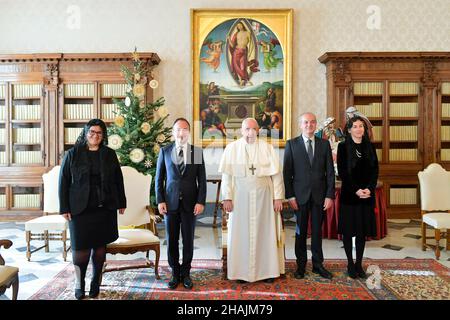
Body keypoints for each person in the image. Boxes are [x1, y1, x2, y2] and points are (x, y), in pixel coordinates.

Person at [59, 119, 126, 300]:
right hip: (79, 209)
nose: (95, 136)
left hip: (104, 207)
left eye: (99, 133)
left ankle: (95, 281)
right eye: (92, 132)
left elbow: (118, 179)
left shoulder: (109, 154)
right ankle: (79, 283)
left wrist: (122, 202)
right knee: (80, 248)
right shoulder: (72, 154)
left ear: (103, 136)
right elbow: (63, 181)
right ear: (86, 133)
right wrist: (64, 207)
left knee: (99, 247)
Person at [219, 118, 285, 283]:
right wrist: (227, 197)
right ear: (242, 131)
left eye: (254, 129)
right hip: (240, 197)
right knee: (240, 234)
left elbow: (276, 176)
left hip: (264, 197)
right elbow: (226, 176)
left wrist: (278, 198)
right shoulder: (232, 149)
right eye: (247, 129)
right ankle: (241, 272)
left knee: (265, 233)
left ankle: (267, 271)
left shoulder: (267, 148)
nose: (251, 132)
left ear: (258, 131)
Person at [155, 118, 207, 290]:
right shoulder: (164, 151)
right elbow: (159, 179)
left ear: (189, 132)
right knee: (171, 240)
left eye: (185, 129)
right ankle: (174, 272)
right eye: (178, 129)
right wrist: (160, 200)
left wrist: (200, 202)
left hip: (191, 204)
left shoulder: (196, 152)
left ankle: (186, 273)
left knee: (188, 239)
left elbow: (202, 180)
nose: (181, 133)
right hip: (170, 204)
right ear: (173, 132)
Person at [283, 112, 335, 280]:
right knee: (300, 232)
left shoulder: (324, 145)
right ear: (300, 125)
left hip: (320, 197)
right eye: (306, 122)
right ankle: (301, 265)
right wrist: (290, 196)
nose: (309, 125)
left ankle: (318, 265)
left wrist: (329, 196)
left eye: (312, 122)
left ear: (315, 125)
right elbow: (287, 173)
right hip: (299, 197)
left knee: (317, 233)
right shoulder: (291, 144)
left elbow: (330, 174)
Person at [337, 116, 379, 279]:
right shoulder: (342, 147)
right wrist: (356, 190)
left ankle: (358, 264)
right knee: (349, 232)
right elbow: (343, 173)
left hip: (367, 196)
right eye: (355, 126)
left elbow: (375, 170)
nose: (359, 129)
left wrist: (369, 189)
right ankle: (349, 263)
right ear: (349, 130)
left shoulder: (370, 147)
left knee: (362, 232)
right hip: (350, 195)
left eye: (361, 126)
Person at [227, 21, 259, 86]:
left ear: (243, 25)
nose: (239, 27)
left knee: (243, 66)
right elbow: (232, 46)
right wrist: (229, 39)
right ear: (237, 27)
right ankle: (244, 80)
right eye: (238, 26)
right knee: (237, 66)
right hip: (236, 51)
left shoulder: (248, 33)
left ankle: (244, 79)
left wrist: (250, 52)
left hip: (243, 51)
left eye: (240, 25)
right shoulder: (236, 34)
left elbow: (252, 43)